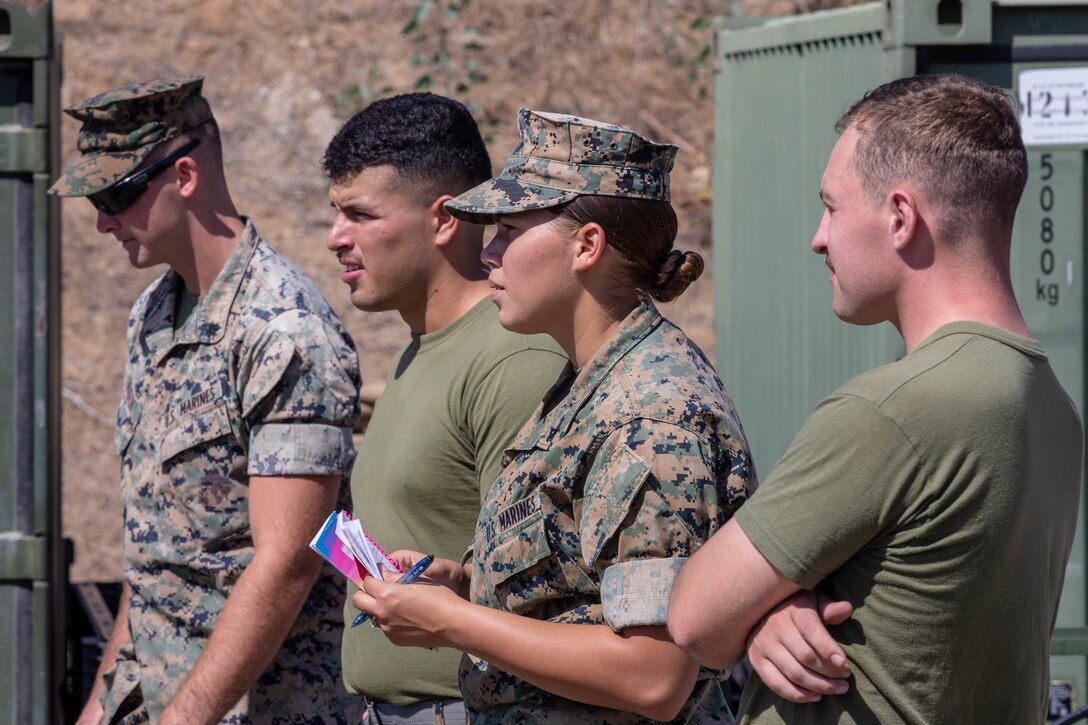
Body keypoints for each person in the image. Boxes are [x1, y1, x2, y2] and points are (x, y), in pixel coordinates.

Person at [667, 73, 1083, 724]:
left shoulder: (896, 408)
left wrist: (761, 607)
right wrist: (773, 609)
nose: (818, 237)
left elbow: (694, 619)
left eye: (831, 206)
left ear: (899, 216)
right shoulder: (1050, 403)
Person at [350, 108, 756, 723]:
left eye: (511, 230)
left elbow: (652, 675)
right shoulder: (586, 384)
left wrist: (454, 622)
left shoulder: (648, 415)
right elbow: (582, 590)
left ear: (587, 245)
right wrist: (462, 582)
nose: (490, 254)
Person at [51, 76, 364, 724]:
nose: (104, 220)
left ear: (185, 174)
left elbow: (290, 560)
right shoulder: (154, 315)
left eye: (116, 194)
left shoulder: (283, 329)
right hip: (158, 694)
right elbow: (159, 557)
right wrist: (100, 707)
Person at [322, 93, 568, 724]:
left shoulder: (511, 360)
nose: (335, 239)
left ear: (444, 219)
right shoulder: (420, 351)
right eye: (335, 214)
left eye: (360, 214)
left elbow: (544, 594)